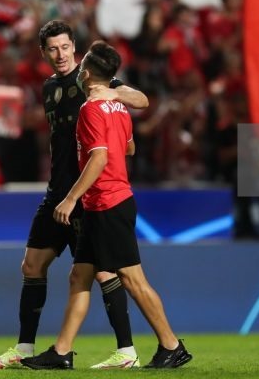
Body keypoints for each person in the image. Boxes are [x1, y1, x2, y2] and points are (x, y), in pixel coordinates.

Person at [0, 20, 149, 370]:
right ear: (43, 52)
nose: (60, 54)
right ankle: (24, 348)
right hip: (56, 193)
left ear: (75, 47)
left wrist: (114, 93)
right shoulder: (48, 88)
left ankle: (126, 351)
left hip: (83, 195)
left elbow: (142, 100)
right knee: (32, 264)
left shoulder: (90, 80)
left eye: (65, 47)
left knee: (103, 273)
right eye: (52, 49)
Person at [21, 41, 192, 370]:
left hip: (107, 202)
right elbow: (129, 149)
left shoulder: (90, 109)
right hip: (111, 200)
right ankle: (61, 352)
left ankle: (171, 345)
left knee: (132, 280)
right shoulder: (119, 108)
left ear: (85, 73)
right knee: (79, 276)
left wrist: (70, 198)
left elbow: (99, 157)